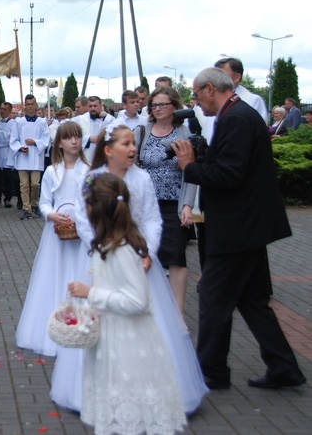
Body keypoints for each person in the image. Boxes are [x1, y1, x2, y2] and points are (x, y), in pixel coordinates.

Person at [174, 67, 306, 390]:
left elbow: (231, 176)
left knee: (213, 297)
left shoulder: (236, 118)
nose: (195, 103)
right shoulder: (237, 115)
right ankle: (284, 367)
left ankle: (211, 372)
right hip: (247, 227)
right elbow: (231, 168)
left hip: (236, 230)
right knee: (252, 301)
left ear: (209, 89)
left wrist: (190, 167)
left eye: (196, 94)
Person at [66, 124, 208, 413]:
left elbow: (151, 220)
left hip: (138, 259)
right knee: (100, 324)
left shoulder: (142, 178)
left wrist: (147, 253)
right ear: (108, 150)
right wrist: (103, 246)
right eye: (126, 144)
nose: (133, 149)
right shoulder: (92, 178)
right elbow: (83, 219)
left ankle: (152, 390)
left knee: (145, 322)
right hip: (102, 258)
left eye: (134, 144)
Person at [68, 172, 187, 435]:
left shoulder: (121, 250)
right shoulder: (109, 245)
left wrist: (91, 293)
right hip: (112, 339)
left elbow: (137, 301)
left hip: (126, 344)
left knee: (127, 412)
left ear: (95, 210)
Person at [16, 122, 89, 356]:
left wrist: (83, 218)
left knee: (80, 272)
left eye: (77, 137)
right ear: (59, 143)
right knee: (55, 274)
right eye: (68, 138)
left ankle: (82, 323)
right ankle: (55, 325)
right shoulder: (51, 171)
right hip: (57, 231)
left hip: (82, 231)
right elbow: (45, 201)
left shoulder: (89, 170)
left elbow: (92, 199)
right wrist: (50, 215)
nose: (74, 142)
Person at [134, 86, 197, 315]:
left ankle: (177, 315)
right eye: (154, 105)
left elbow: (190, 173)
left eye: (163, 104)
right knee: (146, 254)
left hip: (173, 203)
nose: (158, 109)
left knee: (176, 258)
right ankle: (148, 309)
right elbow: (131, 165)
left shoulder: (184, 133)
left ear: (174, 107)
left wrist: (188, 206)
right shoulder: (142, 131)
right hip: (145, 205)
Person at [9, 94, 50, 220]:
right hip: (23, 157)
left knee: (36, 184)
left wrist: (36, 142)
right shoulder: (18, 122)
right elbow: (13, 139)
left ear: (36, 105)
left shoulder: (42, 122)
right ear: (25, 106)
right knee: (24, 184)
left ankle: (34, 204)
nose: (30, 107)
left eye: (32, 104)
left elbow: (46, 139)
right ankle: (26, 208)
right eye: (28, 104)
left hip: (36, 157)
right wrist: (20, 148)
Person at [214, 57, 269, 123]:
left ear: (237, 77)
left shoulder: (254, 101)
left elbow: (259, 130)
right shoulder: (209, 100)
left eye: (222, 75)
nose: (216, 79)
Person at [73, 95, 115, 162]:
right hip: (85, 158)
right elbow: (70, 136)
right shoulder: (79, 120)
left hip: (103, 158)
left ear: (100, 106)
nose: (93, 108)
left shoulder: (107, 119)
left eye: (95, 106)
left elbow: (117, 128)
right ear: (87, 106)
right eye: (90, 106)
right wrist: (89, 139)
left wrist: (106, 116)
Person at [0, 102, 16, 208]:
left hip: (7, 152)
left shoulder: (13, 123)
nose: (2, 111)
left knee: (8, 177)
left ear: (10, 111)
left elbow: (10, 138)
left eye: (5, 109)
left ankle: (7, 198)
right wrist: (1, 135)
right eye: (1, 109)